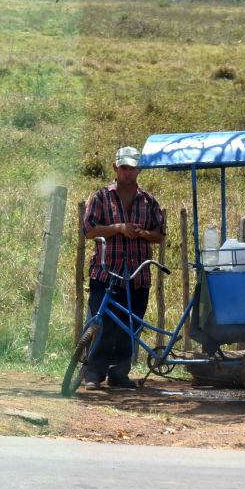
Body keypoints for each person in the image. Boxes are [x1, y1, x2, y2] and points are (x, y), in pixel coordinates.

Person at [82, 146, 166, 390]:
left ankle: (120, 374)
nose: (128, 173)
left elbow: (159, 234)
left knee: (132, 327)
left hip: (138, 276)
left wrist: (142, 233)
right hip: (106, 272)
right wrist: (117, 228)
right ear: (115, 168)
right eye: (124, 168)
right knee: (101, 326)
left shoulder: (148, 200)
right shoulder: (100, 197)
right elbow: (89, 230)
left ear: (140, 170)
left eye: (133, 168)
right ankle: (93, 374)